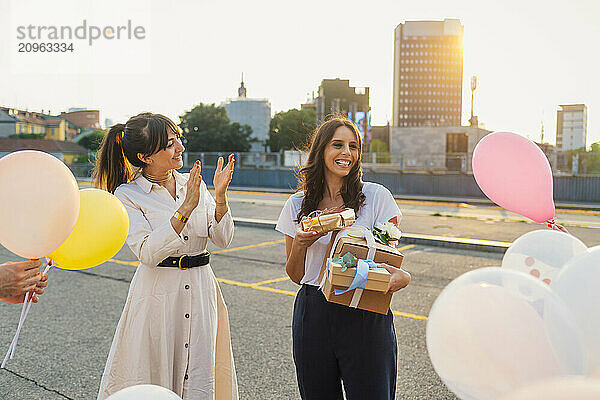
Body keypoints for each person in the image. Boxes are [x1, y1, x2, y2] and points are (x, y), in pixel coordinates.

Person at [93, 113, 238, 400]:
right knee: (153, 371)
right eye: (170, 144)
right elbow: (146, 251)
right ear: (145, 156)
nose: (180, 148)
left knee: (200, 372)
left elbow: (222, 238)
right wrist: (184, 210)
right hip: (157, 295)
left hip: (201, 288)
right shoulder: (127, 195)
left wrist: (220, 198)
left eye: (178, 140)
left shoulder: (192, 184)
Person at [275, 117, 411, 400]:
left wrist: (400, 277)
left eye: (353, 146)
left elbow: (392, 260)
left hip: (365, 309)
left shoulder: (377, 197)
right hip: (314, 312)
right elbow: (296, 275)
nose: (346, 153)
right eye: (337, 145)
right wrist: (301, 243)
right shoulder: (297, 204)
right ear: (321, 150)